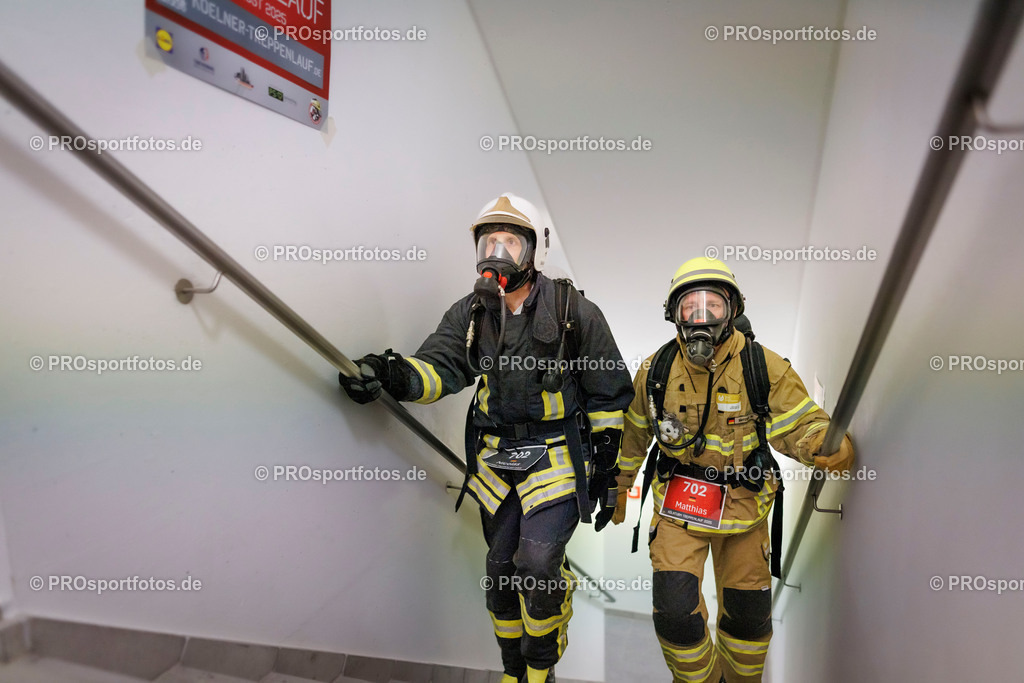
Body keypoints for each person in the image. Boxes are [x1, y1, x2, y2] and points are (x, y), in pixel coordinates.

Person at [339, 194, 634, 683]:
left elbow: (608, 395)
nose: (497, 252)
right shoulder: (472, 312)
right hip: (497, 457)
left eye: (510, 242)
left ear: (534, 252)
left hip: (557, 455)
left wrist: (607, 471)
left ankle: (542, 664)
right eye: (488, 241)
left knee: (537, 563)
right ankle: (513, 670)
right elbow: (440, 367)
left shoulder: (574, 312)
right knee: (499, 573)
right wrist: (389, 373)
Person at [607, 256, 854, 683]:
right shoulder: (656, 370)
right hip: (678, 511)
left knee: (747, 624)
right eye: (690, 307)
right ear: (674, 315)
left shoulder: (764, 367)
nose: (702, 317)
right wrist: (618, 487)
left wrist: (823, 442)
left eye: (713, 306)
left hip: (745, 511)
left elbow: (800, 421)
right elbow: (632, 433)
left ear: (733, 309)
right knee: (675, 616)